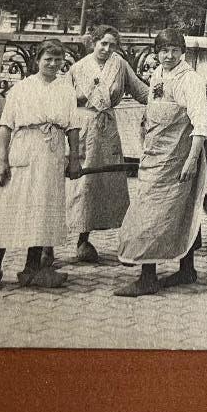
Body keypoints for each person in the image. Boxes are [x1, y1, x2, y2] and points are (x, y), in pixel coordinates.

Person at [0, 39, 81, 293]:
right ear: (37, 60)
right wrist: (2, 160)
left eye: (58, 59)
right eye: (48, 58)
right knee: (8, 205)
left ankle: (32, 268)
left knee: (42, 207)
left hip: (52, 153)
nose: (53, 64)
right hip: (24, 149)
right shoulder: (22, 89)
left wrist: (75, 158)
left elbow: (73, 128)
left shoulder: (66, 90)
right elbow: (5, 126)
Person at [115, 29, 207, 297]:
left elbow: (200, 122)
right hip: (156, 154)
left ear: (183, 52)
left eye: (174, 50)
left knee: (155, 212)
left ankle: (147, 277)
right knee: (175, 209)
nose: (169, 55)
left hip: (178, 156)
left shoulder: (190, 80)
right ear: (156, 52)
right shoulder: (158, 74)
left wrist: (192, 160)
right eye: (163, 50)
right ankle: (187, 269)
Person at [64, 25, 150, 264]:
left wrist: (168, 100)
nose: (107, 49)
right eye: (103, 43)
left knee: (106, 183)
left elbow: (140, 91)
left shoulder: (119, 65)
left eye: (112, 45)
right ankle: (52, 243)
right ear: (93, 42)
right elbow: (61, 100)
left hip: (108, 131)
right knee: (81, 184)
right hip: (83, 128)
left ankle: (85, 239)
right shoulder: (78, 68)